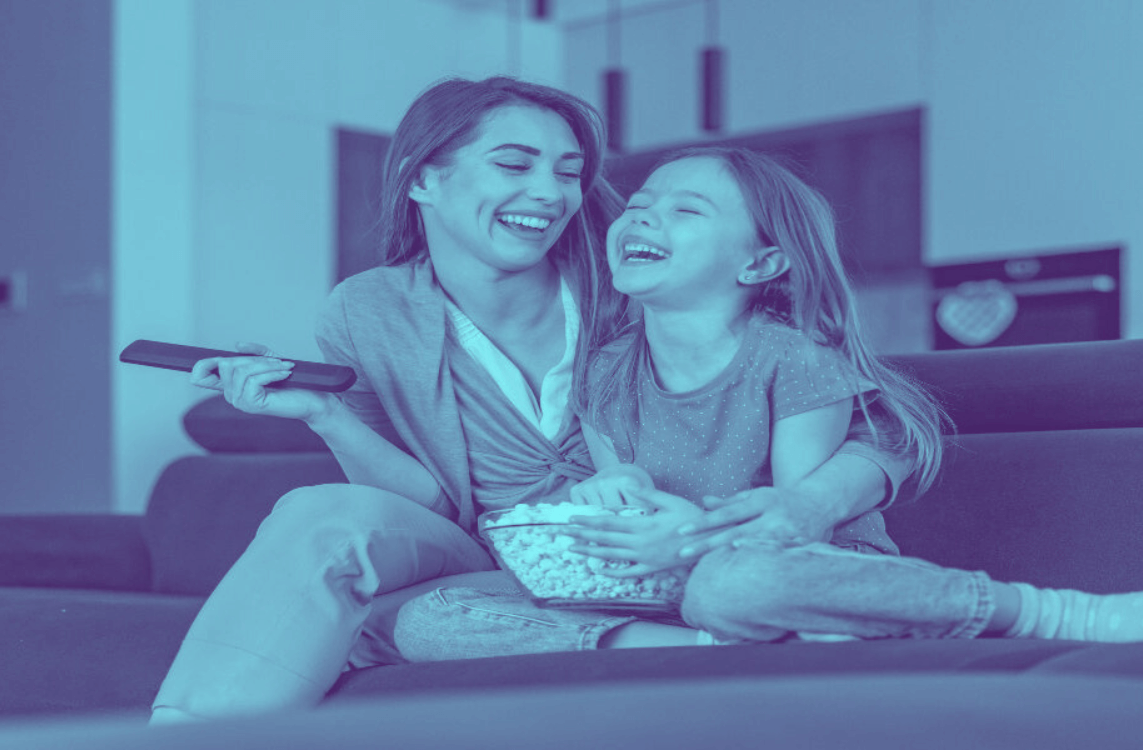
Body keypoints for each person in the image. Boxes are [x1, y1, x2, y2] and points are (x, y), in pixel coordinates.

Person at [149, 79, 908, 723]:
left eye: (569, 172)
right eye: (513, 164)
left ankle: (701, 640)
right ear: (424, 178)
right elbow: (428, 503)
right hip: (496, 547)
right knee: (321, 519)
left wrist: (803, 508)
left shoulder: (635, 276)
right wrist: (324, 415)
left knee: (380, 625)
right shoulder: (366, 312)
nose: (548, 194)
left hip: (644, 548)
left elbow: (876, 421)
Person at [389, 146, 1143, 660]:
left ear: (760, 264)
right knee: (428, 620)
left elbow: (793, 518)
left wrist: (687, 537)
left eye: (686, 211)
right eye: (641, 204)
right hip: (674, 586)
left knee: (739, 586)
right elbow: (629, 481)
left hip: (799, 565)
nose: (642, 213)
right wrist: (614, 498)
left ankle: (1040, 613)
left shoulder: (790, 359)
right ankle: (712, 650)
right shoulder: (605, 369)